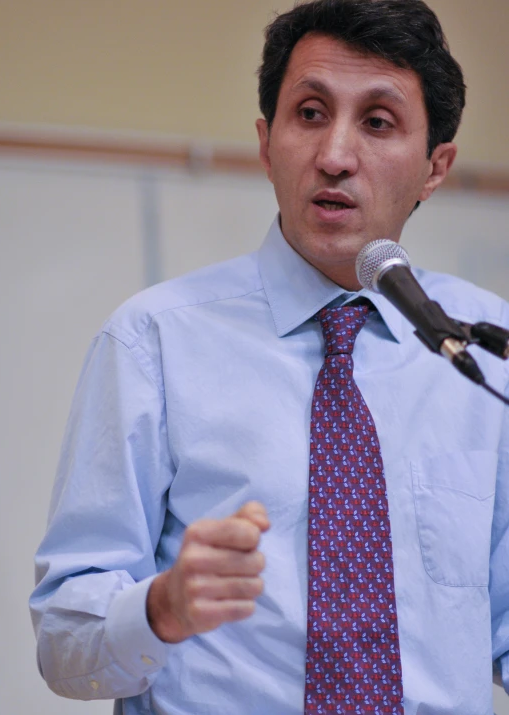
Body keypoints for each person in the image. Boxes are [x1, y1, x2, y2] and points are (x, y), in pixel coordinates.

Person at [30, 0, 509, 713]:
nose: (336, 155)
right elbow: (64, 640)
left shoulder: (484, 349)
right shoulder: (153, 342)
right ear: (266, 143)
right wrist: (161, 608)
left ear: (436, 167)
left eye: (377, 122)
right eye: (310, 113)